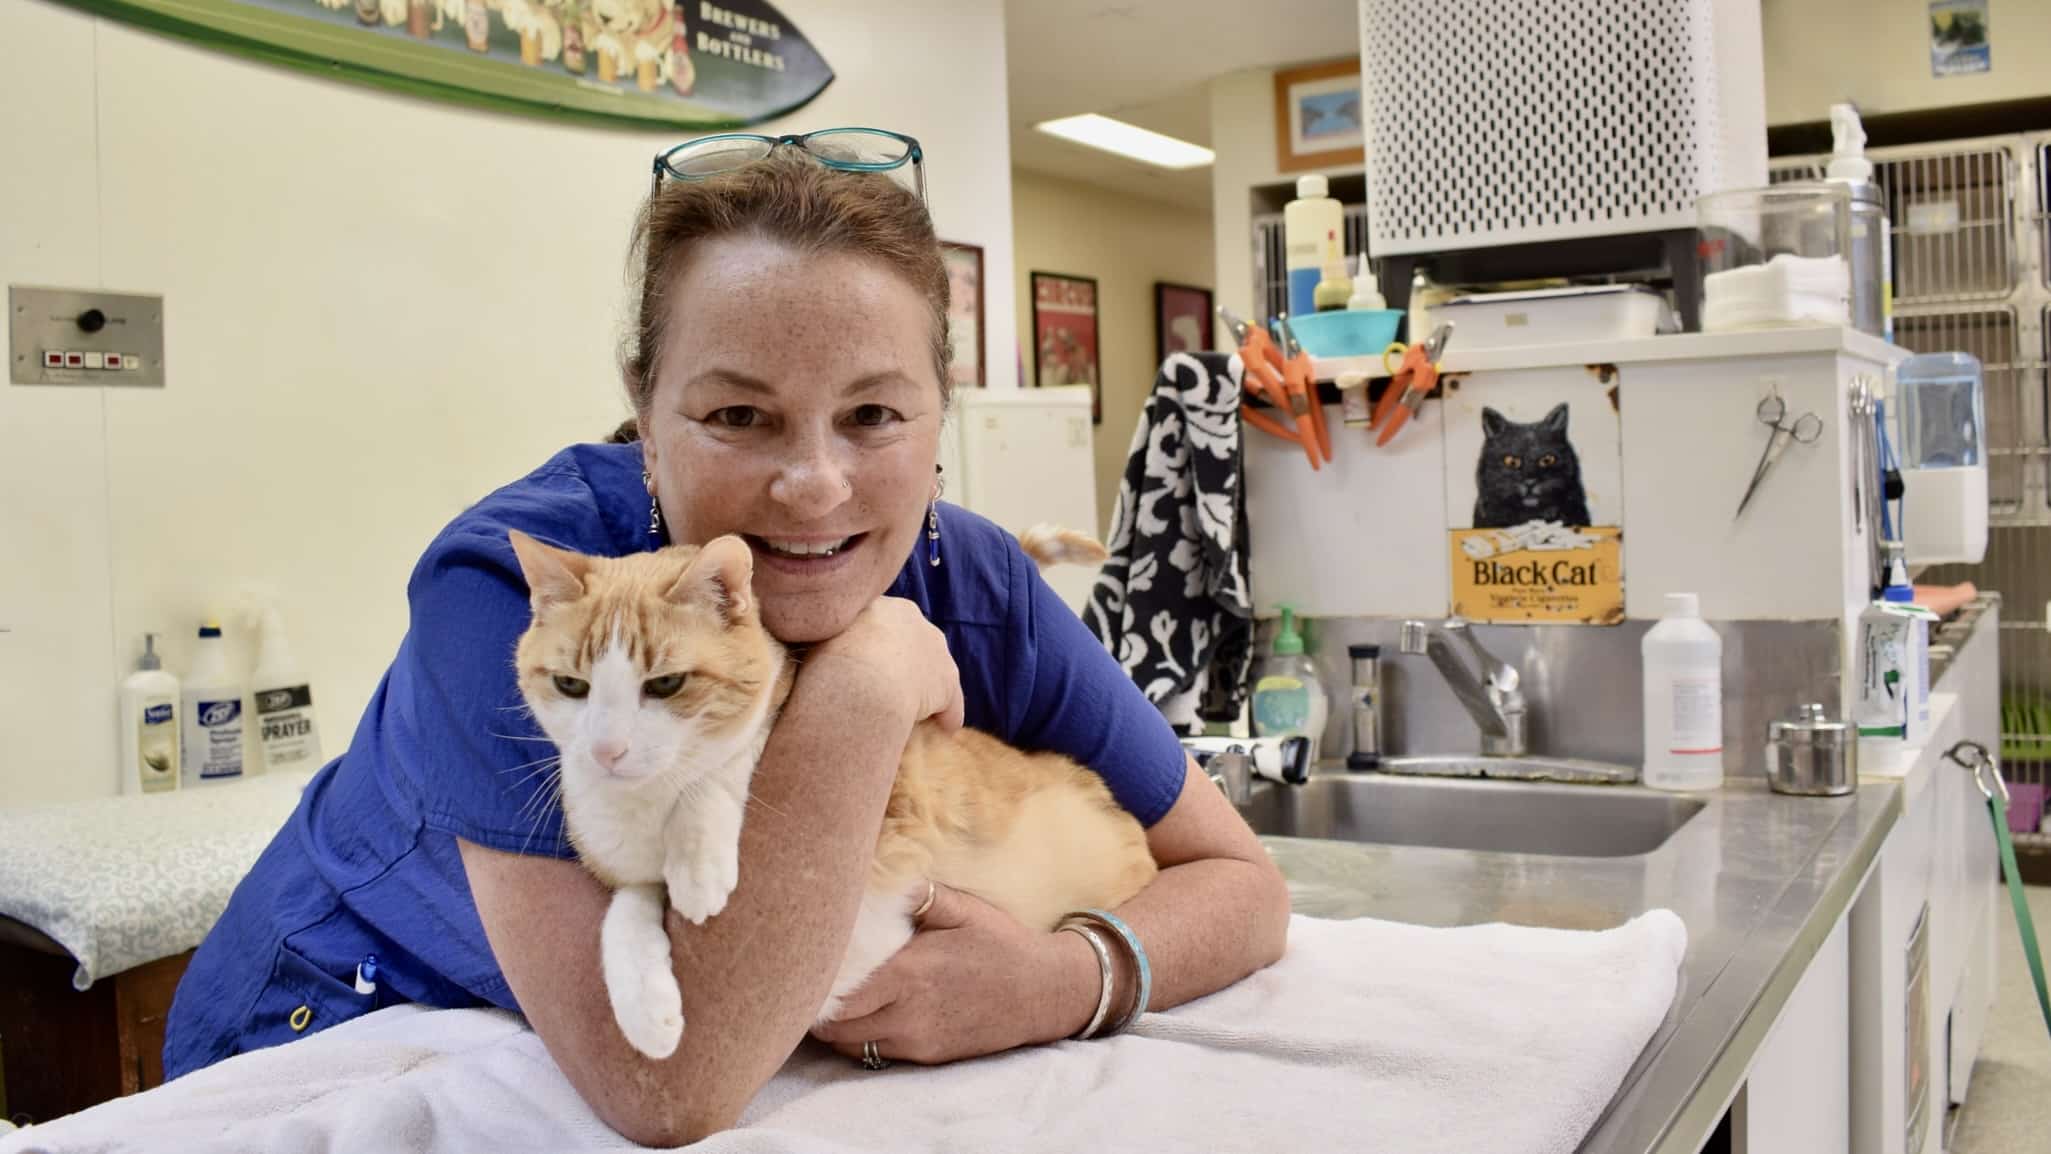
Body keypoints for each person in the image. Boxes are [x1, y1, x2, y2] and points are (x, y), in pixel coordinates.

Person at [162, 128, 1290, 1146]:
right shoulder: (515, 591)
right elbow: (668, 1082)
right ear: (644, 413)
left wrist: (1062, 979)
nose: (812, 485)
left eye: (873, 414)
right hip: (344, 1029)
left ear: (940, 409)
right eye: (737, 415)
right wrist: (870, 673)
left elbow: (1239, 880)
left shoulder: (971, 573)